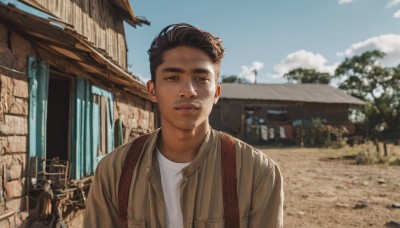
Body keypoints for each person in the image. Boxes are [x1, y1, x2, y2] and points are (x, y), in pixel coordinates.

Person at [83, 23, 284, 228]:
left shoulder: (257, 173)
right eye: (172, 77)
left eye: (201, 78)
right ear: (152, 91)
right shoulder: (114, 171)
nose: (188, 91)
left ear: (216, 93)